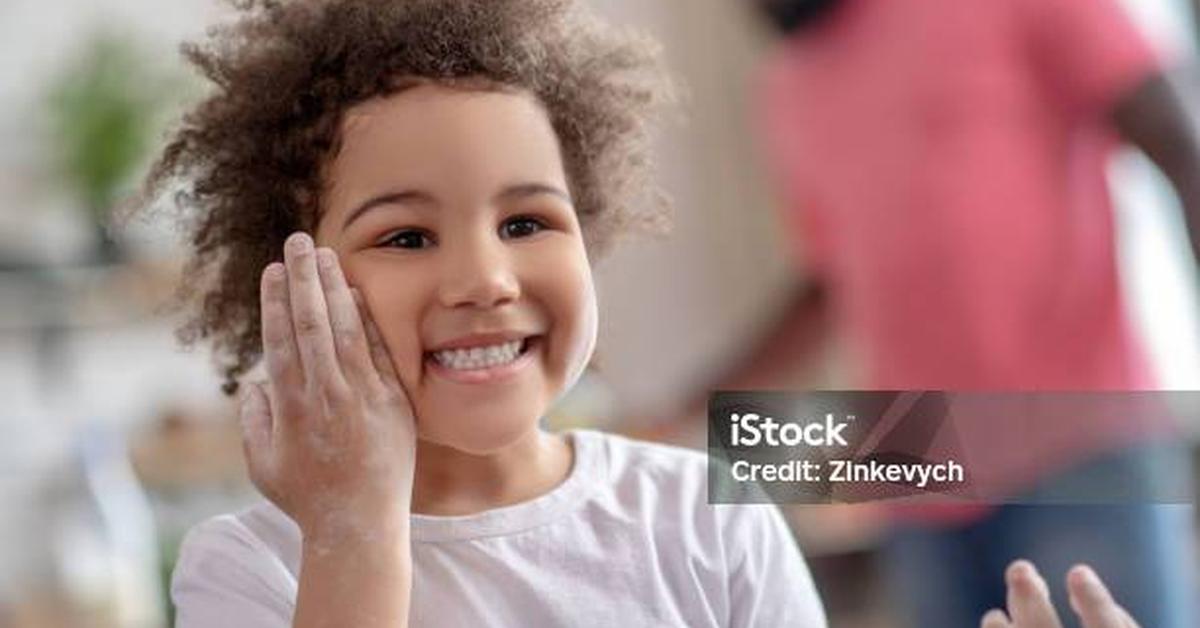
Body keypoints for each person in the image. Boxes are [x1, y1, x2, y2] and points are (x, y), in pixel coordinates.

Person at [129, 0, 1143, 626]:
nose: (485, 276)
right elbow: (830, 277)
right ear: (289, 284)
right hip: (922, 434)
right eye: (405, 236)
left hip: (1076, 418)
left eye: (527, 221)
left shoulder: (702, 517)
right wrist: (352, 532)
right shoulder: (255, 569)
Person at [678, 0, 1200, 626]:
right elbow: (833, 279)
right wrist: (697, 409)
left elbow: (1180, 143)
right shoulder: (787, 87)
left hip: (1079, 437)